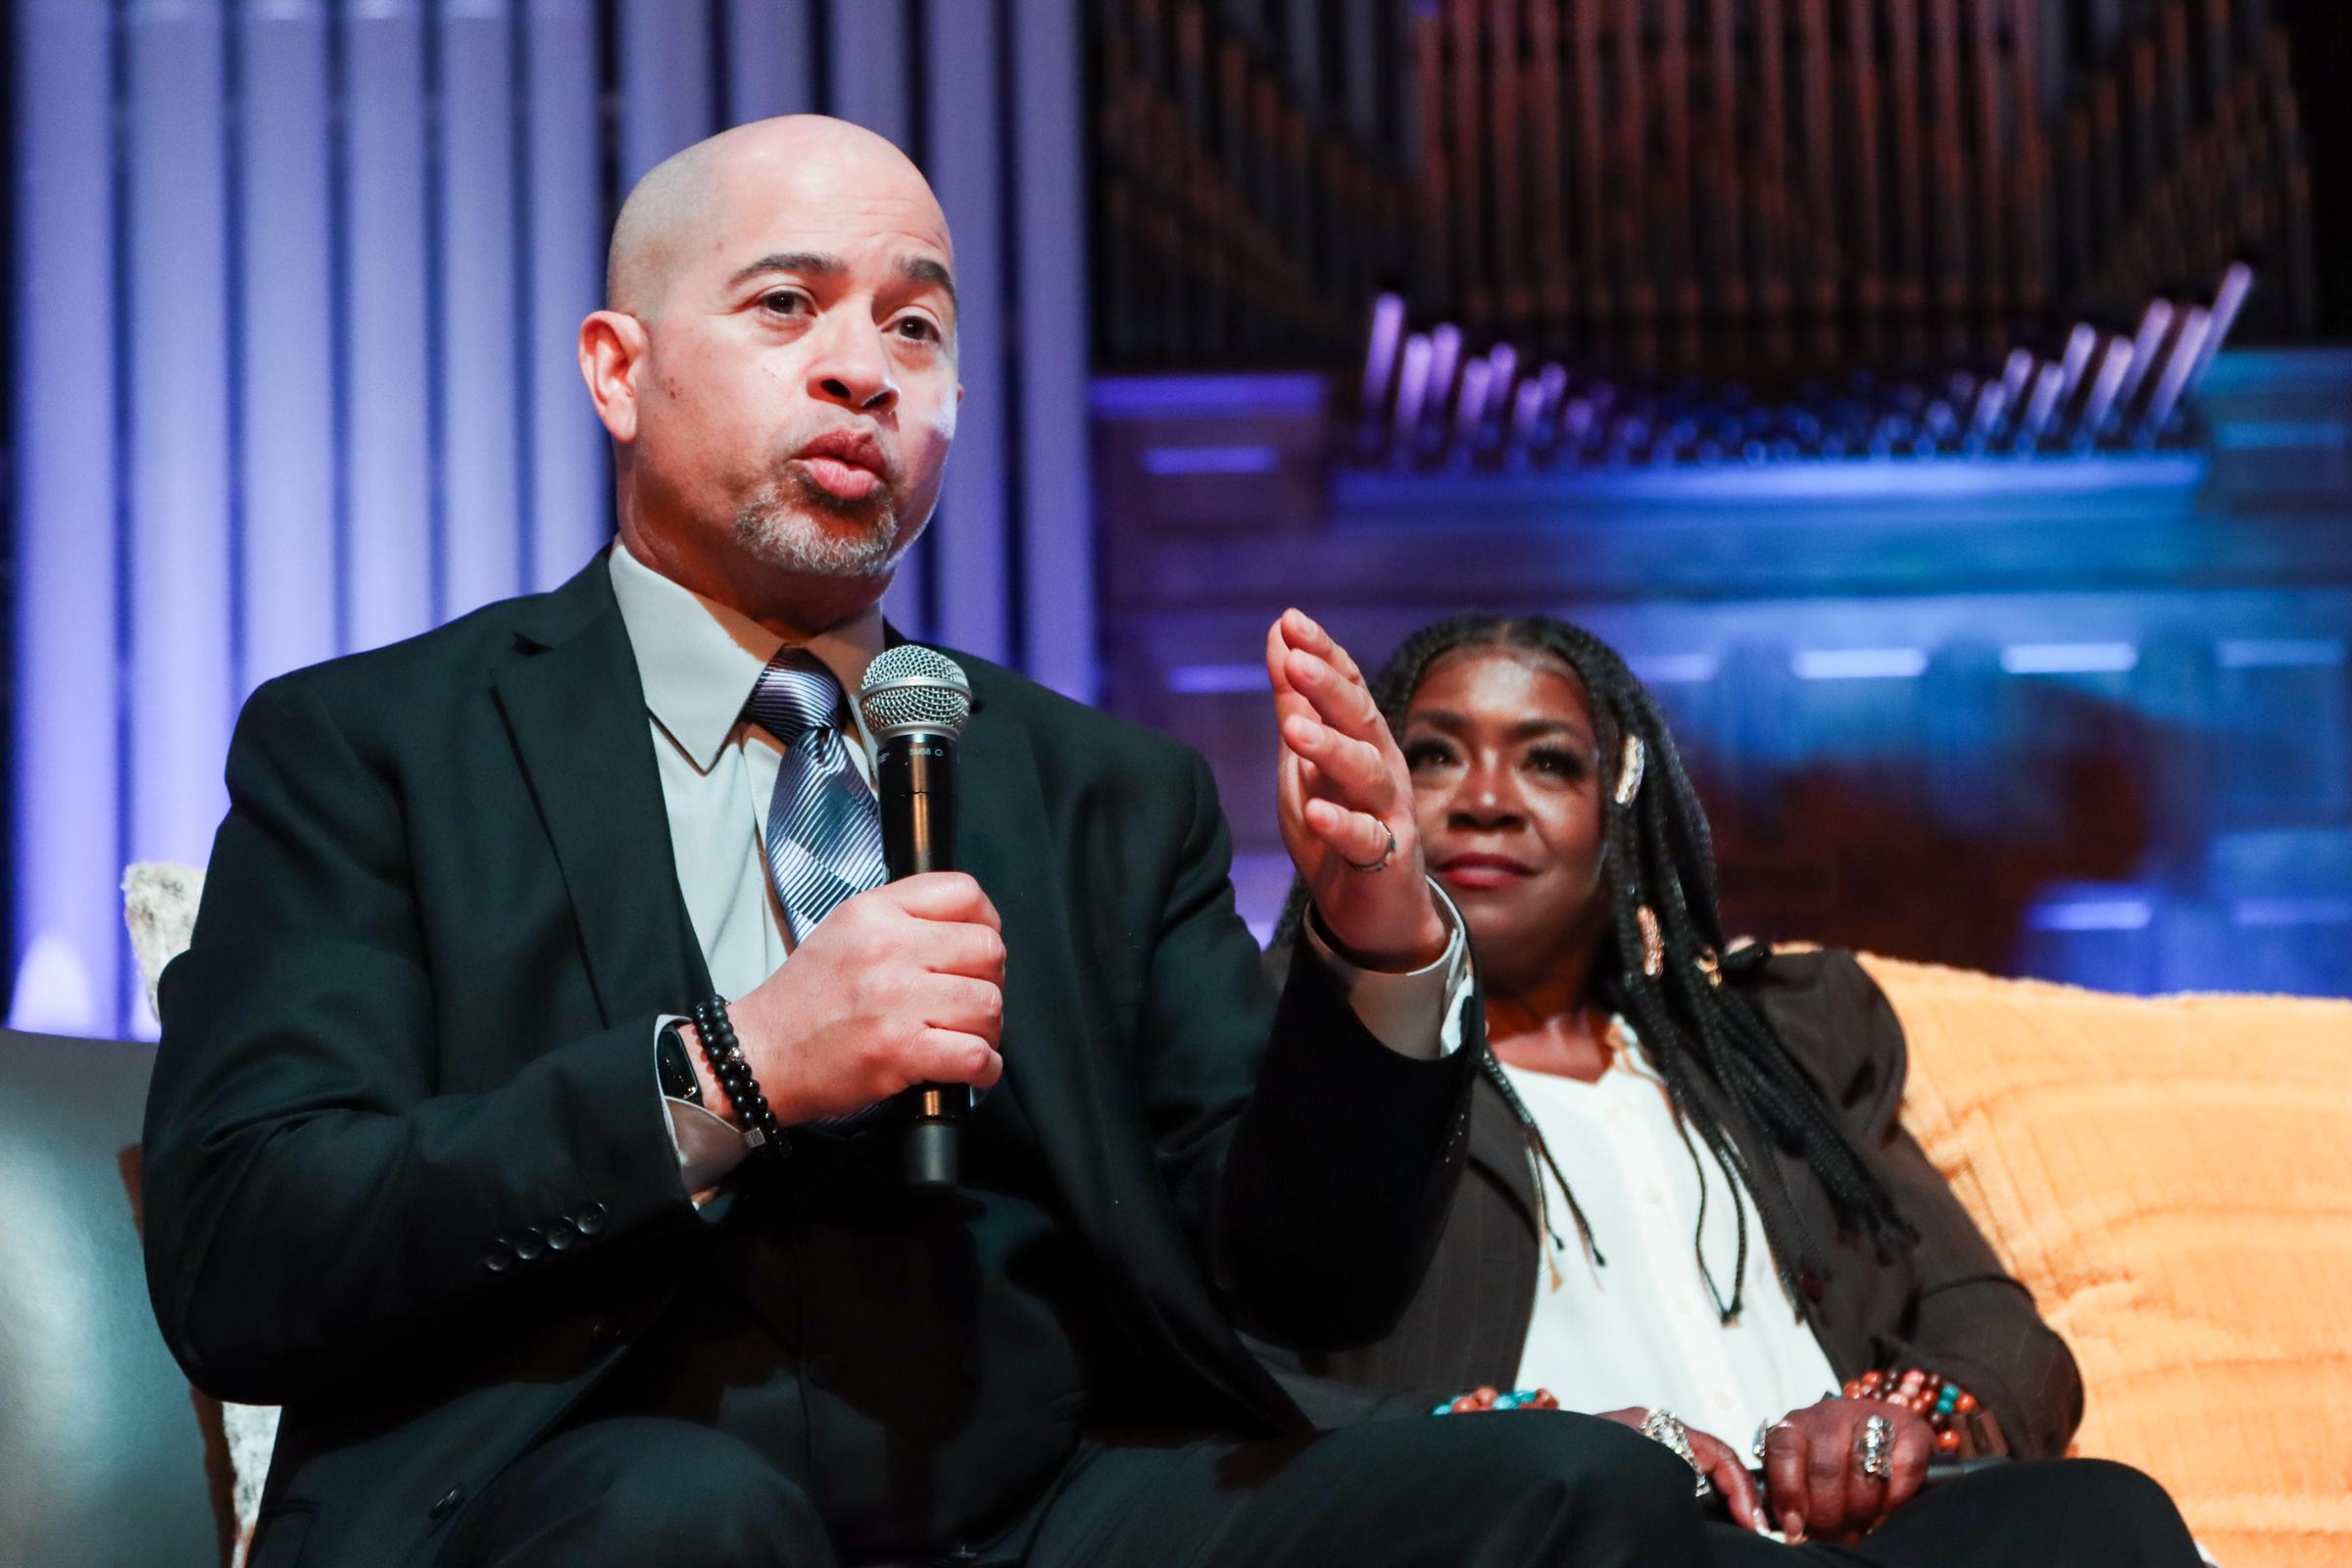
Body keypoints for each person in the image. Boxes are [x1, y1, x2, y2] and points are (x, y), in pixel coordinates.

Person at [141, 118, 1730, 1568]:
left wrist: (1381, 943)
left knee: (1584, 1496)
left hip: (1047, 1507)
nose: (867, 372)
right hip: (577, 1480)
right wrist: (732, 1070)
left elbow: (1302, 1282)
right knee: (679, 1527)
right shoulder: (379, 743)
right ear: (617, 368)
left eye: (917, 327)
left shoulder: (1101, 786)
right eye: (788, 308)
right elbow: (250, 1247)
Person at [1264, 612, 2205, 1565]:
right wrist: (1527, 1440)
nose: (1486, 800)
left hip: (1861, 1539)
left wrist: (1890, 1420)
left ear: (1623, 811)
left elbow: (1992, 1325)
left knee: (2103, 1512)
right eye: (1431, 756)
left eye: (1548, 762)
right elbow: (1228, 1372)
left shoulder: (1786, 1036)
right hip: (1584, 1534)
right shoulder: (1311, 1059)